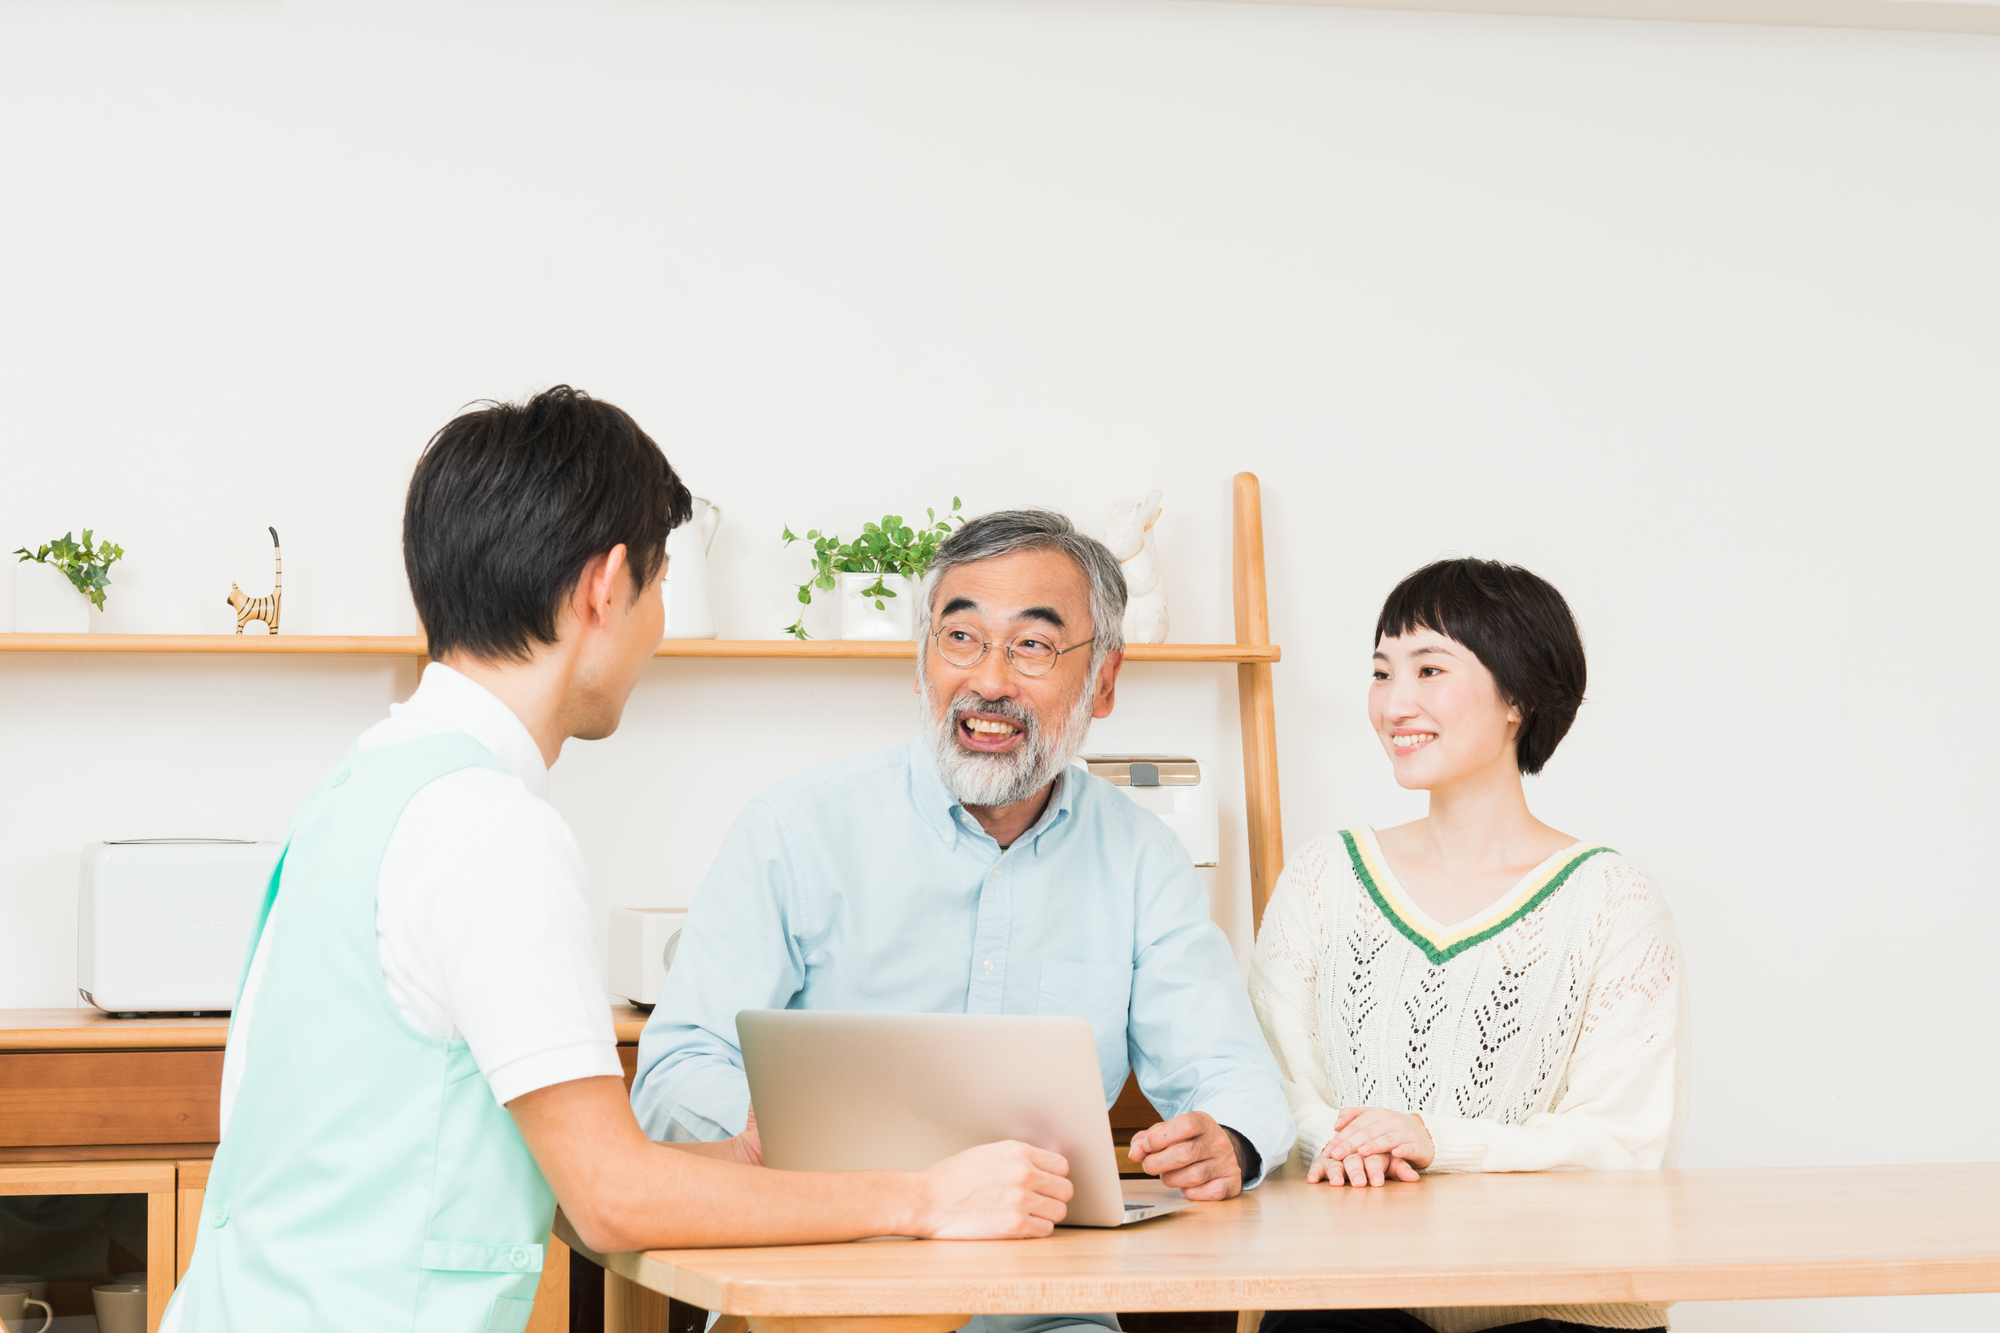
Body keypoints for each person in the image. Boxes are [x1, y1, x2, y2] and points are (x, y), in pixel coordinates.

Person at [163, 389, 1073, 1333]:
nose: (659, 626)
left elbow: (547, 1161)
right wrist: (923, 1198)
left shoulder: (367, 784)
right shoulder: (492, 831)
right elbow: (607, 1198)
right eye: (661, 584)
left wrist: (748, 1169)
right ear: (607, 585)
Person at [632, 508, 1296, 1333]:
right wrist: (763, 1126)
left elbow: (1234, 1077)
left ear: (1106, 680)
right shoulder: (795, 830)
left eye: (1033, 645)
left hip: (1046, 1312)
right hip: (825, 1289)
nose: (989, 679)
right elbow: (672, 1072)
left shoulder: (1141, 858)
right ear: (922, 662)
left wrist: (1226, 1139)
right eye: (961, 638)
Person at [1247, 558, 1690, 1333]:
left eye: (1429, 669)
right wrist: (1351, 1143)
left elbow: (1622, 1142)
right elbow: (1275, 1084)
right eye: (1382, 672)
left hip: (1561, 1302)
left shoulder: (1614, 898)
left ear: (1519, 696)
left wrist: (1430, 1140)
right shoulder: (1325, 876)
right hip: (1357, 1295)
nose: (1395, 702)